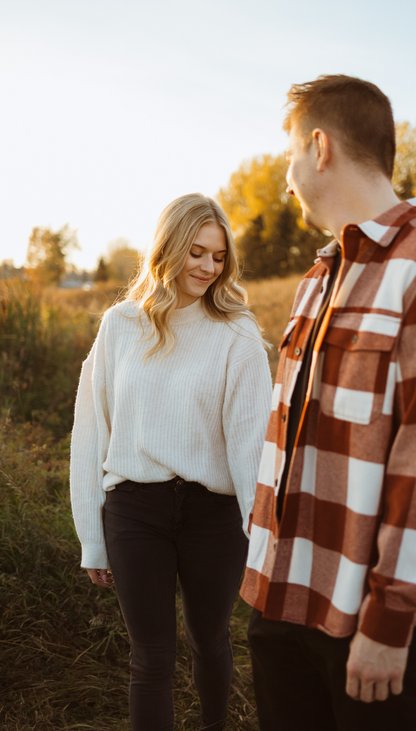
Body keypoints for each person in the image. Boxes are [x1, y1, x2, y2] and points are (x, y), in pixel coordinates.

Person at [239, 74, 416, 730]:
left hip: (363, 625)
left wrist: (388, 621)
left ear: (319, 147)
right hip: (283, 598)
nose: (286, 176)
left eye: (291, 152)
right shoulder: (320, 277)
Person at [69, 193, 272, 730]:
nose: (208, 267)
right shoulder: (120, 326)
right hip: (135, 509)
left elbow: (252, 443)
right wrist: (92, 536)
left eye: (219, 257)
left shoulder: (238, 335)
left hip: (214, 515)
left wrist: (263, 540)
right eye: (197, 252)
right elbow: (92, 431)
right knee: (150, 659)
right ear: (169, 247)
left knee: (209, 640)